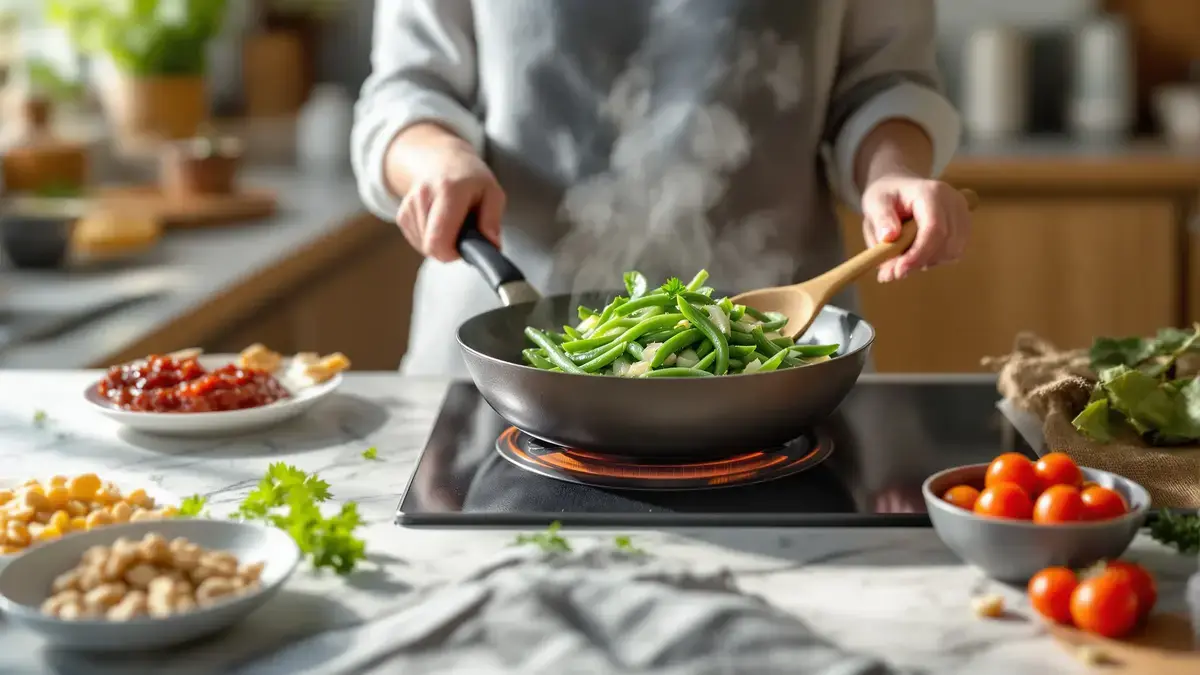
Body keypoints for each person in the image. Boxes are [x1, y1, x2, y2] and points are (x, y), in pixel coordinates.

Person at [353, 0, 971, 378]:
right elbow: (408, 88)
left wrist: (890, 172)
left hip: (776, 371)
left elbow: (884, 81)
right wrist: (438, 157)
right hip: (506, 352)